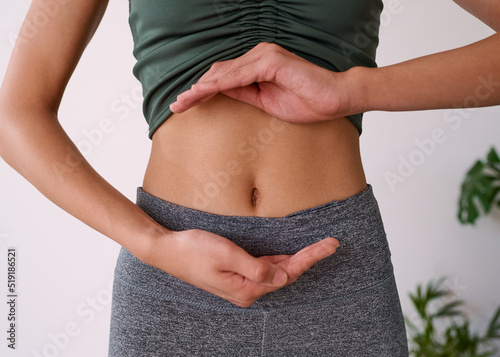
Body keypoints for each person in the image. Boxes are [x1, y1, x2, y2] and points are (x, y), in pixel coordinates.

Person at [0, 0, 499, 356]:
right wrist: (152, 245)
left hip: (337, 268)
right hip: (173, 271)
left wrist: (352, 90)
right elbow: (15, 115)